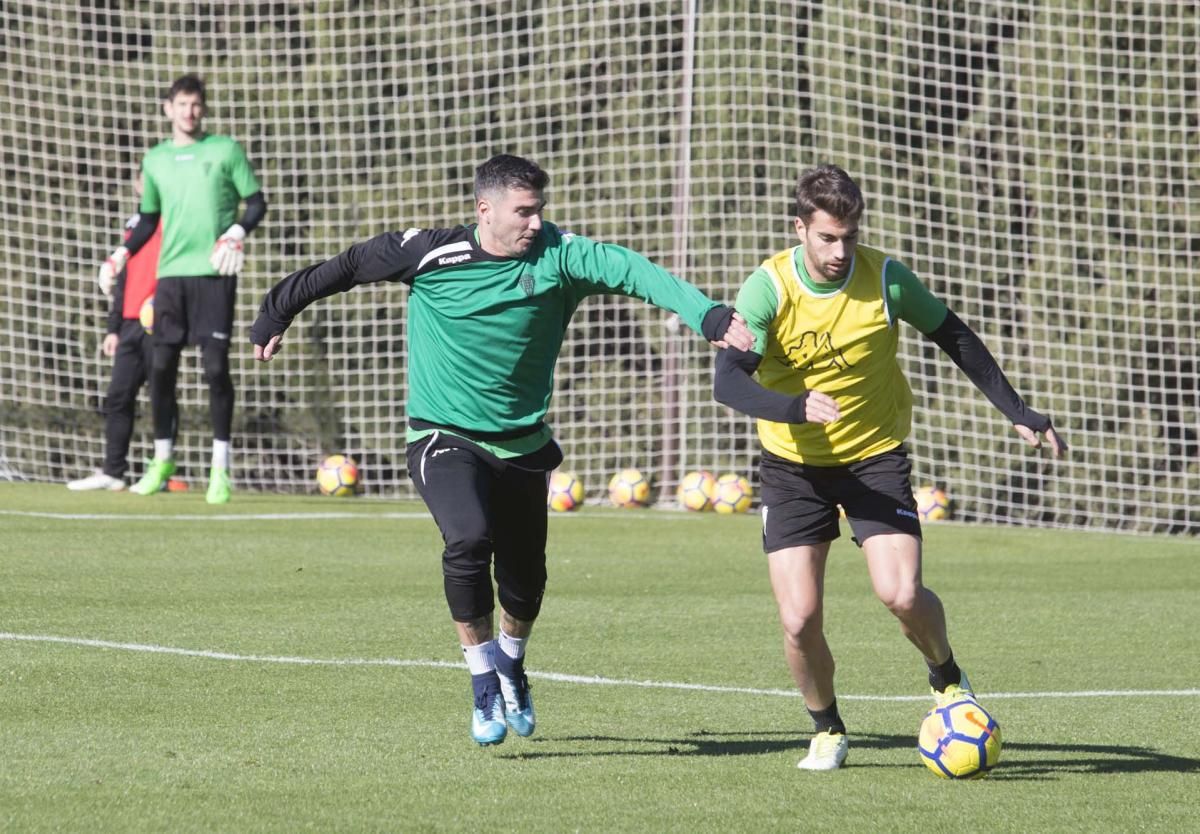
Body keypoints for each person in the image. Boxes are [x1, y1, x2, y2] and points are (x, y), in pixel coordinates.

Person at [250, 154, 753, 746]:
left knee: (524, 582)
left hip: (522, 445)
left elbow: (639, 273)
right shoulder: (432, 253)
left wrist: (710, 314)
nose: (536, 222)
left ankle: (512, 660)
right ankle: (482, 678)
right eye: (524, 211)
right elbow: (349, 266)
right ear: (485, 211)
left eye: (540, 209)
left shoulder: (562, 256)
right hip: (442, 434)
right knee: (467, 539)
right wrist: (276, 310)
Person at [713, 164, 1067, 771]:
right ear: (800, 228)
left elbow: (954, 335)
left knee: (900, 593)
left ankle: (947, 677)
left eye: (849, 236)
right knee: (798, 620)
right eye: (827, 237)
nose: (840, 250)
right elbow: (727, 384)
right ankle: (826, 728)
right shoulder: (766, 290)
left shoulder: (886, 281)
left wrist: (1017, 409)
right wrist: (795, 408)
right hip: (791, 466)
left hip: (875, 457)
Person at [97, 73, 266, 504]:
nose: (189, 112)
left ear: (202, 108)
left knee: (214, 370)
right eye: (181, 104)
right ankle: (162, 460)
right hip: (169, 278)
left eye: (196, 104)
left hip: (213, 274)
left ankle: (220, 470)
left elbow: (257, 202)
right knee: (160, 369)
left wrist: (236, 231)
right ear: (167, 108)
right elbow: (148, 220)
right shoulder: (154, 160)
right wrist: (119, 255)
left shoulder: (225, 150)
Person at [68, 175, 163, 492]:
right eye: (143, 180)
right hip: (129, 324)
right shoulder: (134, 223)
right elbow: (123, 280)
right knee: (119, 396)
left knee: (161, 397)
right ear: (137, 186)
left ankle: (161, 467)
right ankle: (113, 471)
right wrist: (114, 328)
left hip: (160, 318)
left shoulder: (172, 219)